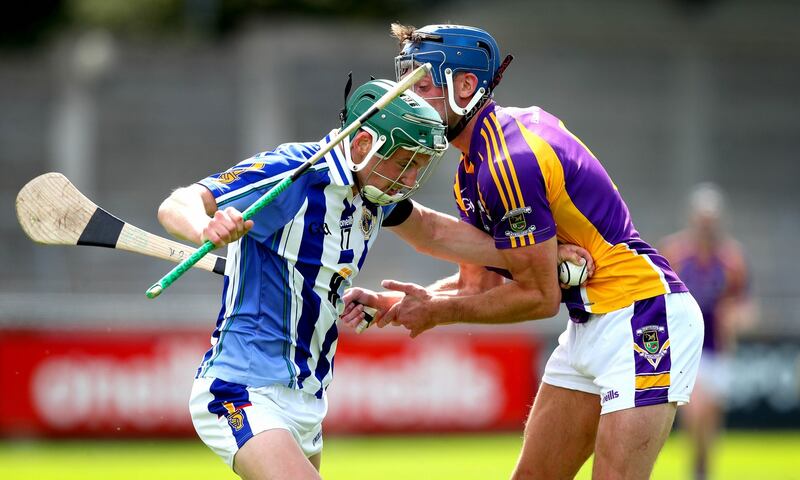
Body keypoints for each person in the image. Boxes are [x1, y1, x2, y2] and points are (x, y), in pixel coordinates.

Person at [341, 24, 705, 479]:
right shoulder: (473, 168)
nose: (407, 95)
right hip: (589, 326)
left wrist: (436, 314)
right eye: (405, 78)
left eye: (422, 81)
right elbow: (479, 282)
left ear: (466, 85)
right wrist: (405, 303)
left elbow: (538, 296)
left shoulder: (507, 161)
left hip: (641, 314)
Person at [156, 78, 506, 480]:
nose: (409, 180)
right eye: (404, 162)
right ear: (362, 145)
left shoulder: (373, 194)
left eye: (419, 167)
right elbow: (177, 204)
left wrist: (532, 254)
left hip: (309, 400)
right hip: (242, 388)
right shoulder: (293, 172)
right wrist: (205, 228)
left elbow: (433, 231)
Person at [660, 183, 755, 480]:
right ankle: (698, 469)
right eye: (702, 220)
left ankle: (701, 469)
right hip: (688, 349)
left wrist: (736, 318)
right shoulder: (674, 253)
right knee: (695, 410)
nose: (706, 226)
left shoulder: (732, 260)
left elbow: (747, 306)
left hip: (718, 350)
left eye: (710, 221)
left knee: (709, 424)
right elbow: (658, 295)